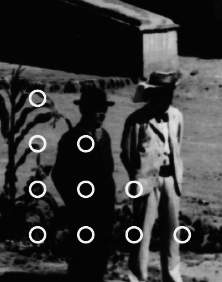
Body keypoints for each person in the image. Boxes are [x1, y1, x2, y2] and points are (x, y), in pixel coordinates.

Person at [120, 70, 185, 282]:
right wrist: (139, 177)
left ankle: (172, 277)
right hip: (146, 182)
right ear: (154, 93)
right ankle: (137, 278)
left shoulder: (176, 116)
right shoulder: (137, 120)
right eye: (164, 92)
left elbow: (177, 145)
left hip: (171, 180)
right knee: (142, 234)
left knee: (172, 234)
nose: (169, 97)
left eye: (171, 92)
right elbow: (127, 153)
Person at [50, 85, 117, 282]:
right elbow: (59, 175)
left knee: (100, 258)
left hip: (104, 211)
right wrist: (75, 202)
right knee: (82, 259)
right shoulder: (71, 139)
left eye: (104, 109)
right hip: (83, 212)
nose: (102, 114)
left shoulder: (104, 137)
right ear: (84, 110)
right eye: (97, 109)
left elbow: (108, 171)